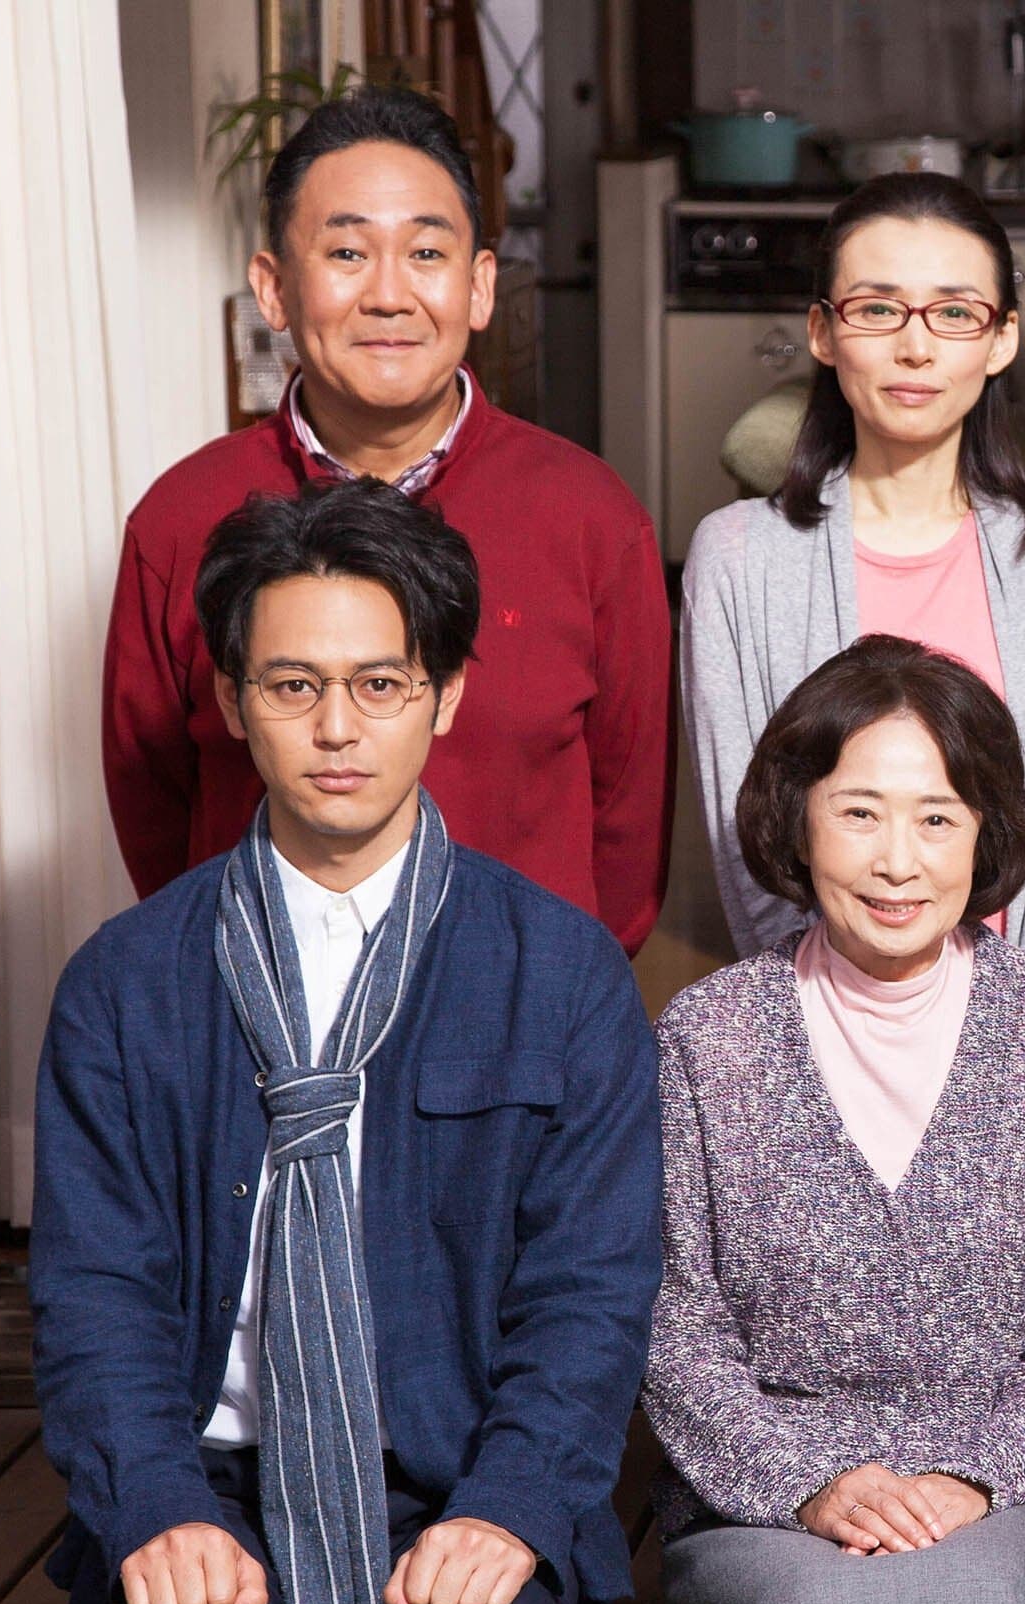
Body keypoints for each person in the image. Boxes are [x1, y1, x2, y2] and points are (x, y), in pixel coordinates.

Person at [33, 478, 664, 1604]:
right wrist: (158, 1501)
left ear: (447, 694)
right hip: (216, 1483)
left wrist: (511, 1502)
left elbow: (591, 1293)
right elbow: (94, 1290)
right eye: (293, 685)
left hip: (461, 1476)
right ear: (231, 700)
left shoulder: (562, 971)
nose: (338, 728)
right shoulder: (124, 981)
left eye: (381, 684)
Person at [642, 635, 1025, 1604]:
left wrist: (974, 1479)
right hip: (765, 1505)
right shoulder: (707, 1038)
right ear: (796, 819)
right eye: (859, 812)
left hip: (1002, 1497)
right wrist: (812, 1482)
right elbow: (677, 1328)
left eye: (937, 818)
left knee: (979, 1599)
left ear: (986, 833)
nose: (898, 861)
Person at [105, 83, 676, 956]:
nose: (388, 296)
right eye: (346, 252)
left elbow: (629, 832)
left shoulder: (592, 519)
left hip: (516, 1009)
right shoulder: (181, 520)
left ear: (479, 286)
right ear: (274, 288)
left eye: (426, 253)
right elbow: (155, 810)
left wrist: (555, 995)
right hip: (260, 1004)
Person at [684, 172, 1025, 1054]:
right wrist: (835, 1051)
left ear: (1002, 339)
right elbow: (753, 851)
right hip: (816, 1044)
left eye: (955, 313)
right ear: (823, 332)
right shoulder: (738, 557)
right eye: (878, 310)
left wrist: (1020, 1060)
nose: (916, 348)